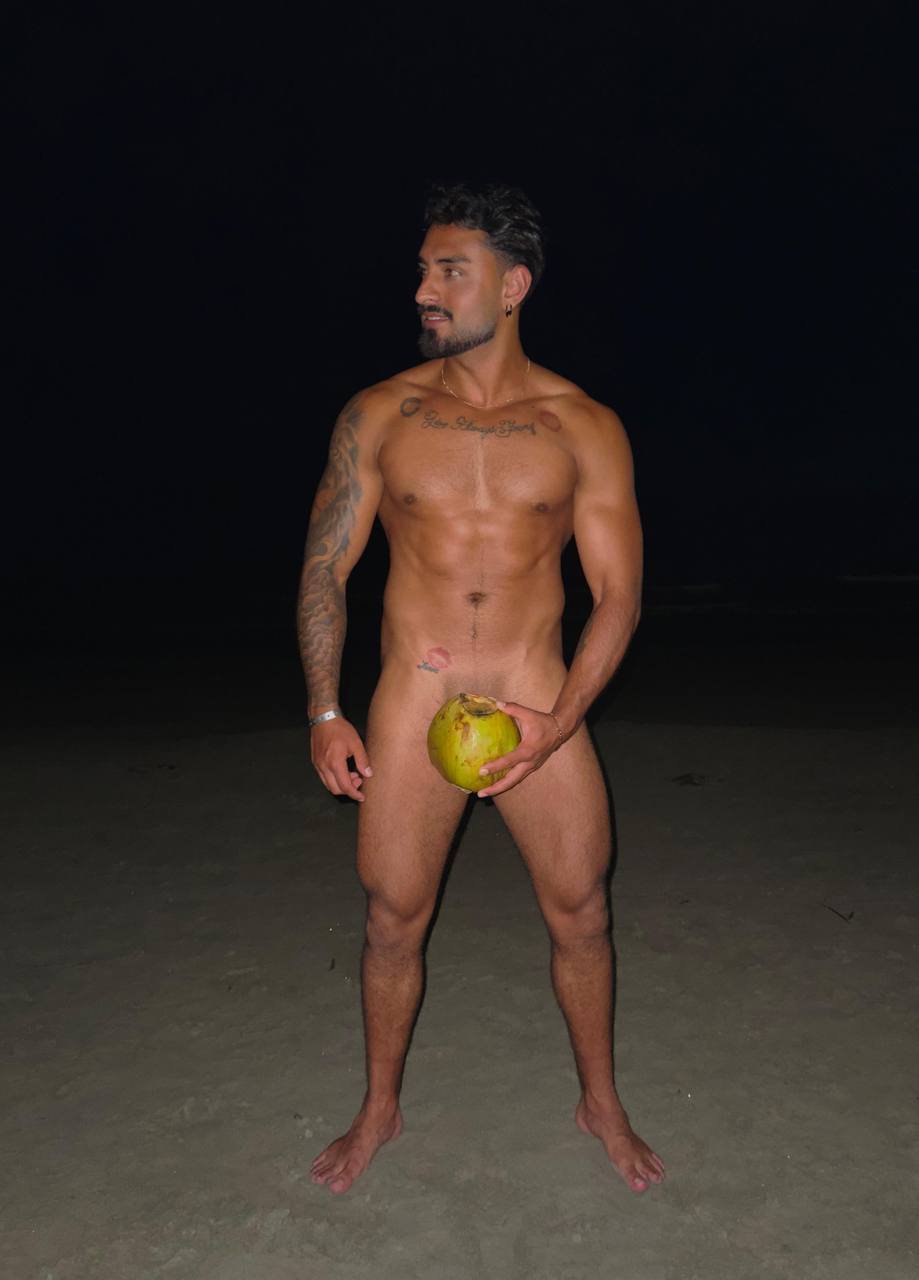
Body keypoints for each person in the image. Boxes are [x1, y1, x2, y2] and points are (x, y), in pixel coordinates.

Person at [297, 182, 664, 1195]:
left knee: (582, 911)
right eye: (422, 270)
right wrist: (324, 708)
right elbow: (325, 568)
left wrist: (559, 723)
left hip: (536, 687)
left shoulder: (584, 424)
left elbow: (621, 594)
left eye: (449, 271)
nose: (424, 290)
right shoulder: (379, 411)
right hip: (414, 694)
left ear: (513, 286)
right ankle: (379, 1106)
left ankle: (600, 1101)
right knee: (391, 919)